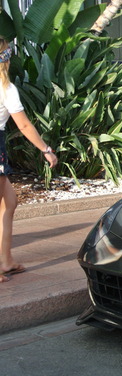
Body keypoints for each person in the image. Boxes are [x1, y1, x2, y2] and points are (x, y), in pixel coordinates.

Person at [0, 37, 57, 282]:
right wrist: (46, 149)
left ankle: (6, 260)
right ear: (7, 59)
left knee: (9, 203)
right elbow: (23, 124)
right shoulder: (6, 89)